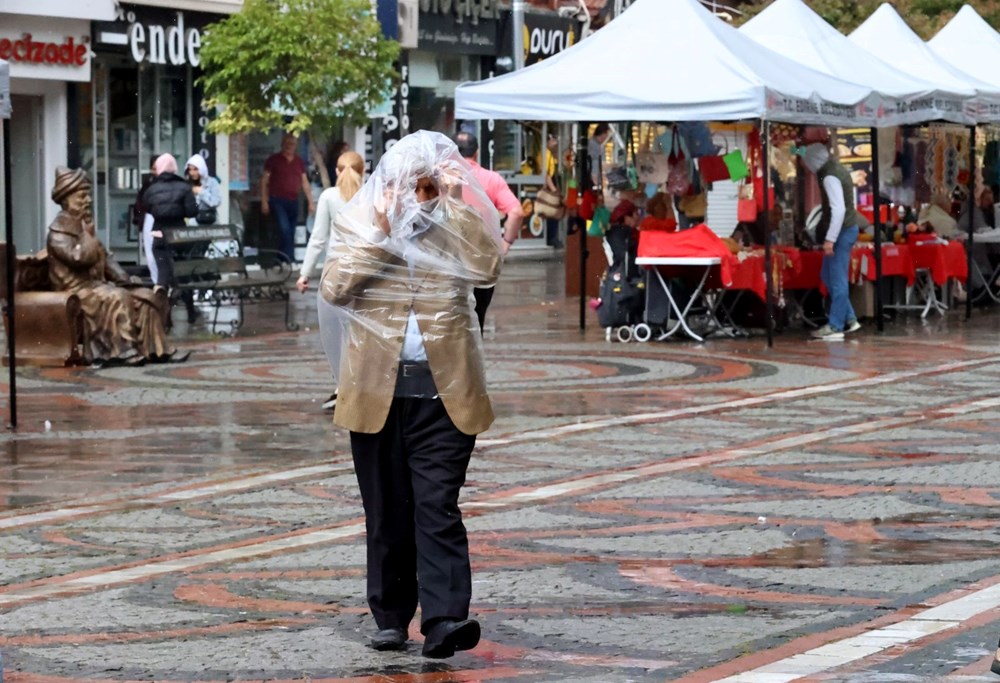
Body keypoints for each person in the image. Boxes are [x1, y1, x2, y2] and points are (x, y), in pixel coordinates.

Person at [319, 131, 503, 658]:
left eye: (424, 185)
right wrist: (383, 232)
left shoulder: (454, 223)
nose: (416, 195)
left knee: (437, 505)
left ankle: (445, 619)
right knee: (387, 509)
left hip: (445, 394)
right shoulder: (360, 223)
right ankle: (392, 615)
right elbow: (334, 288)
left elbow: (488, 265)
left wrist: (453, 203)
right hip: (375, 390)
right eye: (407, 185)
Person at [45, 167, 185, 365]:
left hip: (96, 288)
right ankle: (122, 351)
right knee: (117, 297)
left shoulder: (85, 227)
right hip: (76, 291)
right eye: (82, 197)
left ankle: (159, 350)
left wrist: (126, 280)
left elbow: (107, 259)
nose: (88, 201)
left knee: (145, 297)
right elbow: (79, 258)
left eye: (88, 196)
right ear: (66, 200)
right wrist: (88, 236)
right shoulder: (59, 233)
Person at [297, 150, 365, 412]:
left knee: (335, 332)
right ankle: (357, 385)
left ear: (337, 171)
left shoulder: (328, 197)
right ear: (363, 172)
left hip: (336, 272)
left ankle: (342, 386)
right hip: (363, 272)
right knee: (359, 331)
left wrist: (305, 274)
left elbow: (318, 239)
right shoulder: (369, 196)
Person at [454, 131, 524, 333]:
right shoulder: (492, 179)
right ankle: (475, 358)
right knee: (477, 316)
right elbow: (516, 212)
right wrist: (505, 243)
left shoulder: (441, 178)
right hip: (482, 260)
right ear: (476, 152)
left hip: (448, 259)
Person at [801, 140, 862, 341]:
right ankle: (850, 319)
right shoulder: (836, 169)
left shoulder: (829, 176)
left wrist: (830, 239)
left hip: (842, 231)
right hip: (846, 229)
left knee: (837, 279)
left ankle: (836, 326)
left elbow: (839, 210)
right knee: (828, 275)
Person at [144, 154, 199, 324]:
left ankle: (163, 311)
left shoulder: (151, 189)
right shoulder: (184, 187)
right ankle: (190, 312)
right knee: (182, 274)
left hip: (159, 235)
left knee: (163, 274)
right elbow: (192, 212)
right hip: (179, 237)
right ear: (174, 168)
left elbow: (147, 207)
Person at [262, 133, 315, 262]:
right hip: (277, 200)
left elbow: (304, 182)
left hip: (293, 200)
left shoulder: (299, 162)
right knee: (284, 228)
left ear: (296, 146)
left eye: (292, 144)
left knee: (291, 230)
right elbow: (264, 181)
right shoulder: (273, 160)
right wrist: (264, 201)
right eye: (287, 143)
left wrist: (310, 202)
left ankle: (283, 257)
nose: (289, 146)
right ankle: (289, 258)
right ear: (282, 144)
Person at [185, 154, 222, 225]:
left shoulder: (212, 182)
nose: (192, 173)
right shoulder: (187, 184)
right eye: (190, 169)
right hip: (194, 223)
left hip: (211, 221)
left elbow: (215, 202)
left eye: (195, 169)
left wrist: (201, 192)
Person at [543, 133, 564, 248]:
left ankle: (552, 237)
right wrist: (554, 190)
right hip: (549, 187)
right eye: (553, 139)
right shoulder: (545, 153)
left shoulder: (550, 153)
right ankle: (552, 238)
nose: (555, 142)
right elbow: (546, 175)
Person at [588, 123, 612, 190]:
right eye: (602, 137)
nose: (603, 140)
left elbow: (603, 163)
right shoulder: (590, 144)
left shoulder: (601, 146)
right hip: (593, 179)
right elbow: (594, 163)